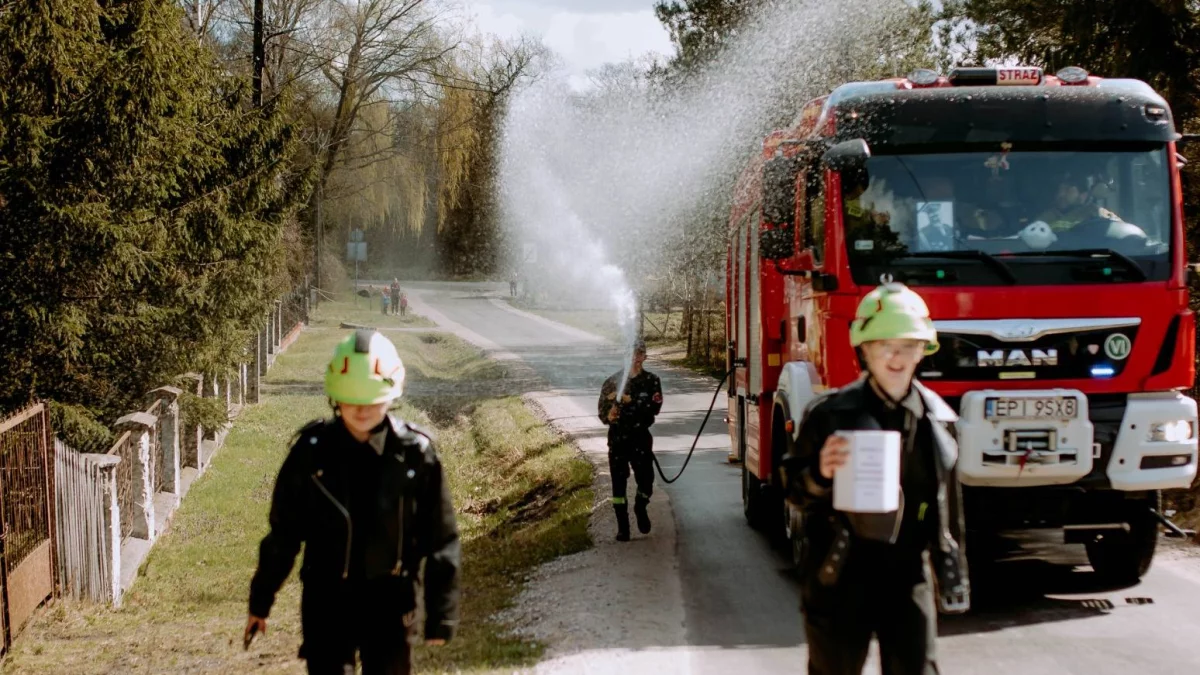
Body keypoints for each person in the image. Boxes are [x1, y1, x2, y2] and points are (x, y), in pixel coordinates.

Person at [780, 281, 969, 675]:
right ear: (864, 350)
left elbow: (949, 508)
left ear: (923, 351)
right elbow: (794, 493)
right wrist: (820, 472)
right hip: (841, 575)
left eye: (908, 346)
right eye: (885, 345)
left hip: (908, 576)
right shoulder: (828, 415)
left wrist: (952, 573)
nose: (897, 357)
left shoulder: (940, 421)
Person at [246, 330, 461, 675]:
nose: (362, 410)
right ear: (335, 397)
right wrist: (261, 600)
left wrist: (442, 614)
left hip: (392, 603)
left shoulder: (416, 455)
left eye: (373, 400)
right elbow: (283, 534)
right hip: (327, 604)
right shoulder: (310, 453)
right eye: (351, 400)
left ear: (391, 395)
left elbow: (441, 539)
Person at [598, 339, 663, 542]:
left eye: (639, 354)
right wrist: (609, 415)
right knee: (618, 484)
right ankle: (623, 528)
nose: (635, 358)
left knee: (646, 481)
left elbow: (654, 409)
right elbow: (601, 412)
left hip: (640, 439)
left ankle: (640, 506)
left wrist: (631, 401)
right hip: (617, 440)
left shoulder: (651, 381)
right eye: (631, 354)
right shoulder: (611, 382)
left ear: (644, 356)